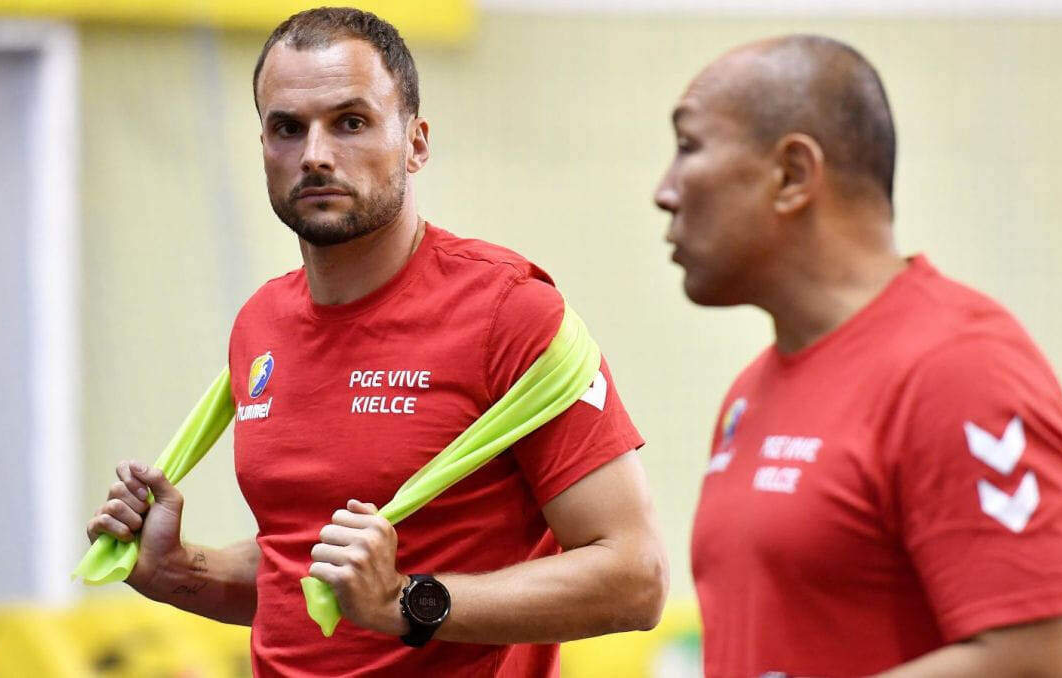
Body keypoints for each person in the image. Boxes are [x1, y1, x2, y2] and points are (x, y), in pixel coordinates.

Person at [87, 7, 668, 677]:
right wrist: (177, 570)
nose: (315, 154)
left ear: (416, 143)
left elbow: (635, 576)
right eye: (287, 128)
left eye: (351, 122)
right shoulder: (261, 324)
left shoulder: (509, 314)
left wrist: (407, 602)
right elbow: (302, 576)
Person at [654, 35, 1062, 678]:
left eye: (688, 146)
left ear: (792, 175)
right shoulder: (748, 394)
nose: (664, 191)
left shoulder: (960, 369)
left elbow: (1043, 664)